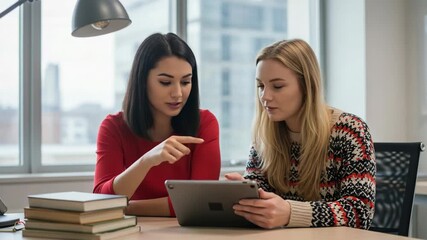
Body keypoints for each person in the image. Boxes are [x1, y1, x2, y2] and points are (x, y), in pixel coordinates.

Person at [226, 39, 375, 229]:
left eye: (277, 86)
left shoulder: (349, 131)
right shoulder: (264, 135)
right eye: (260, 86)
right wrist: (246, 195)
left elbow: (360, 212)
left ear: (306, 86)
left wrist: (290, 213)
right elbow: (263, 198)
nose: (265, 96)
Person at [94, 33, 221, 217]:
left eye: (185, 81)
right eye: (165, 82)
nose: (178, 93)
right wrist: (146, 161)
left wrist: (127, 207)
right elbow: (100, 199)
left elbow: (198, 201)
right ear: (142, 81)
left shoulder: (205, 123)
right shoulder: (113, 127)